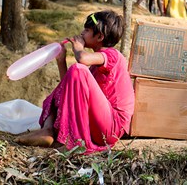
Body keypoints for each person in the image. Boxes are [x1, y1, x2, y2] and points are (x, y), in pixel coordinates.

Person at [15, 10, 134, 154]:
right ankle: (48, 130)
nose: (82, 33)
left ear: (100, 36)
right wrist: (61, 60)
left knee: (78, 69)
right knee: (60, 89)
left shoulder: (113, 56)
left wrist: (78, 48)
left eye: (87, 30)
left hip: (111, 128)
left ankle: (74, 142)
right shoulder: (94, 67)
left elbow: (82, 59)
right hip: (99, 125)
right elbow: (68, 89)